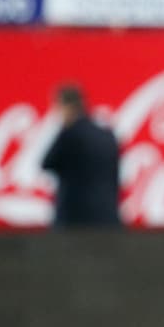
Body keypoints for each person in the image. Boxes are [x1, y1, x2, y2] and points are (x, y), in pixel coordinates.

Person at [40, 85, 122, 228]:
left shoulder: (70, 134)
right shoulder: (108, 135)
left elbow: (47, 163)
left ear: (66, 107)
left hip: (75, 221)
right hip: (108, 219)